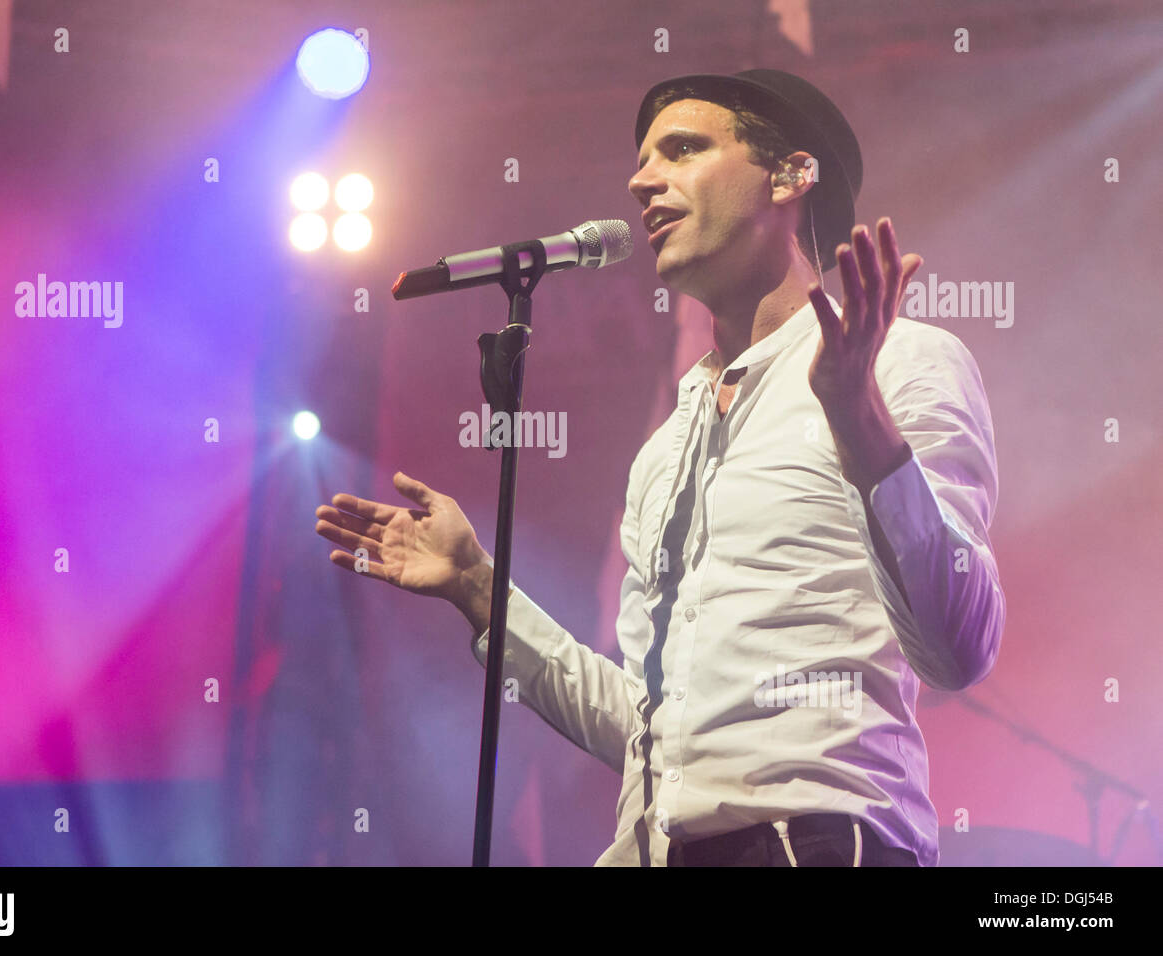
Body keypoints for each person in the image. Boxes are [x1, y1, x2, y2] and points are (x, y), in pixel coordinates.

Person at [314, 69, 1004, 866]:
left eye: (682, 150)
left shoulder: (904, 362)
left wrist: (861, 422)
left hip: (810, 838)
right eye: (643, 161)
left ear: (791, 174)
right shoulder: (664, 450)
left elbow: (961, 647)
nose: (642, 181)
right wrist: (479, 590)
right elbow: (648, 725)